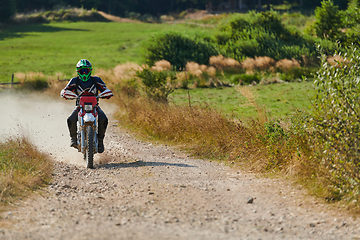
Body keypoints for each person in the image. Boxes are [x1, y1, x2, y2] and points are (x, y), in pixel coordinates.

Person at [60, 59, 113, 153]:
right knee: (70, 119)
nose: (84, 73)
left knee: (104, 119)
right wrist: (65, 93)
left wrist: (107, 93)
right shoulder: (74, 81)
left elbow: (105, 89)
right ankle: (73, 139)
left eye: (86, 70)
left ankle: (100, 141)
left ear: (90, 70)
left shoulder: (96, 80)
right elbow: (65, 90)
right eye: (82, 71)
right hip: (80, 107)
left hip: (95, 106)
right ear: (78, 72)